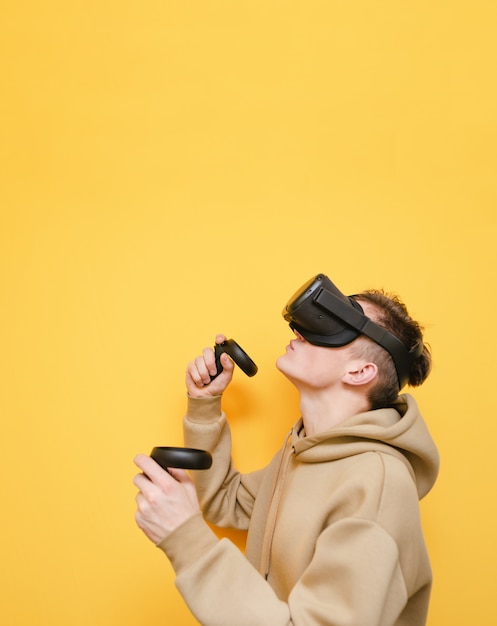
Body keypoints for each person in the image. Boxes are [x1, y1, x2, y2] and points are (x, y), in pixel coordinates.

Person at [133, 273, 440, 626]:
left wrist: (185, 538)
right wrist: (205, 403)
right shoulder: (304, 450)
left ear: (360, 371)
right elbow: (226, 502)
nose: (299, 332)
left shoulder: (376, 488)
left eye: (332, 327)